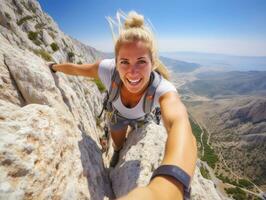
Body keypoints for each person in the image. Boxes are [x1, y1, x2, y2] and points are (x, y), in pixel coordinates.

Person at [48, 11, 197, 200]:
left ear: (153, 63)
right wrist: (54, 67)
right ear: (116, 63)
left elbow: (180, 125)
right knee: (118, 145)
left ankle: (121, 147)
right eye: (124, 62)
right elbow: (77, 70)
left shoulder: (162, 88)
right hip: (116, 116)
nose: (132, 72)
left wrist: (171, 184)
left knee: (132, 134)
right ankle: (117, 152)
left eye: (141, 61)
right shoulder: (108, 69)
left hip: (143, 118)